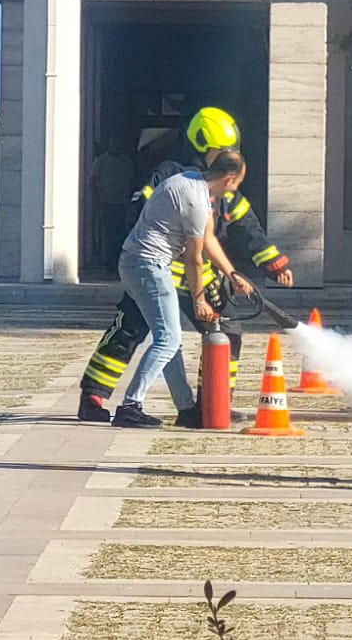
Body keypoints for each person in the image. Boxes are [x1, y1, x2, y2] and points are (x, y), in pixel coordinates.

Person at [77, 107, 293, 424]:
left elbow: (248, 228)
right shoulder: (174, 175)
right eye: (222, 150)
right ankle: (95, 397)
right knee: (129, 331)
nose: (228, 156)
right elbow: (163, 226)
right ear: (204, 145)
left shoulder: (223, 188)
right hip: (162, 269)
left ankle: (212, 403)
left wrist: (273, 264)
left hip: (197, 273)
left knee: (225, 332)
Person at [114, 148, 250, 428]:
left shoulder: (189, 181)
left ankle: (186, 409)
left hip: (136, 262)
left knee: (168, 337)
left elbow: (209, 238)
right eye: (236, 184)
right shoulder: (196, 202)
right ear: (229, 178)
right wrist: (200, 299)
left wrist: (232, 273)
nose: (234, 191)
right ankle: (130, 406)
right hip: (148, 265)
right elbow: (194, 258)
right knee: (168, 339)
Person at [88, 137, 135, 269]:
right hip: (106, 203)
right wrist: (97, 200)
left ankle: (118, 260)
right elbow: (92, 182)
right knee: (106, 233)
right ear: (108, 145)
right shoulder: (100, 161)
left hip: (122, 203)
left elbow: (131, 182)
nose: (115, 146)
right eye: (113, 143)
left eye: (118, 143)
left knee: (120, 232)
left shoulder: (126, 161)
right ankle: (107, 261)